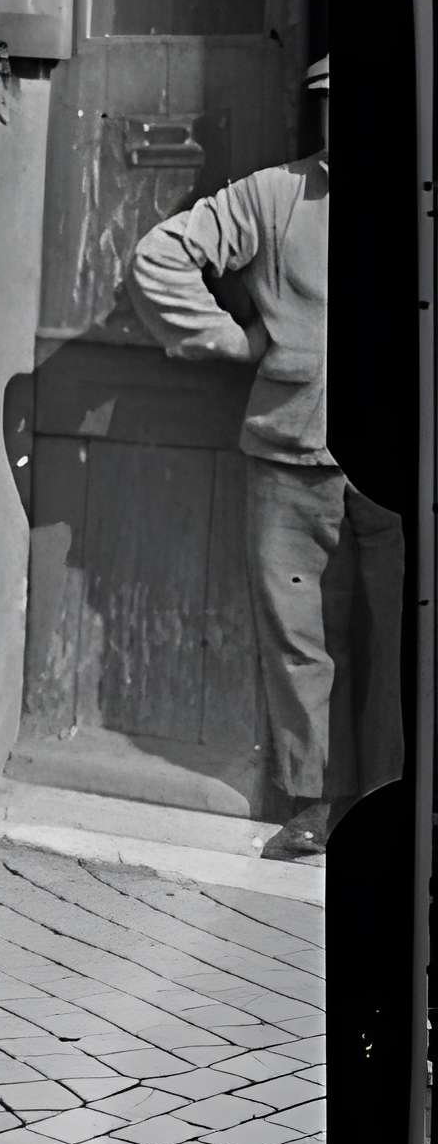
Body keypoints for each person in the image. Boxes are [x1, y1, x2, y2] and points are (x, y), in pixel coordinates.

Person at [127, 54, 400, 861]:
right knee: (301, 641)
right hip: (291, 459)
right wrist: (232, 339)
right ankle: (319, 801)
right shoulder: (276, 196)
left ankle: (396, 800)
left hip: (398, 473)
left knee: (403, 640)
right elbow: (160, 256)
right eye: (332, 105)